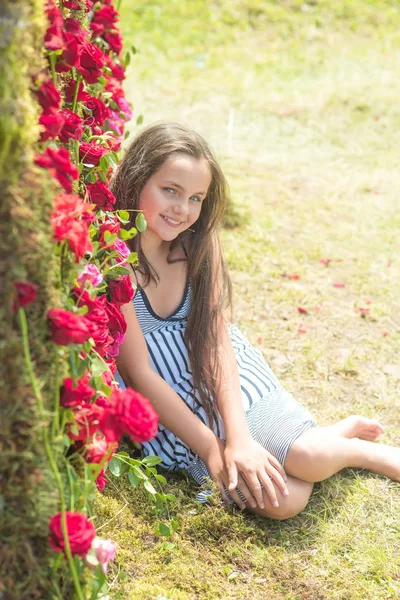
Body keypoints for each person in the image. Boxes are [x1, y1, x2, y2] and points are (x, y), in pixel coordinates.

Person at [113, 122, 400, 520]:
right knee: (282, 502)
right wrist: (215, 448)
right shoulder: (113, 261)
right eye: (170, 190)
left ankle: (362, 453)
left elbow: (214, 339)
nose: (182, 209)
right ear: (137, 178)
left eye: (196, 197)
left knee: (309, 457)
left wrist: (241, 438)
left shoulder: (197, 242)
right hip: (170, 404)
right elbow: (141, 375)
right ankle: (330, 438)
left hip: (221, 376)